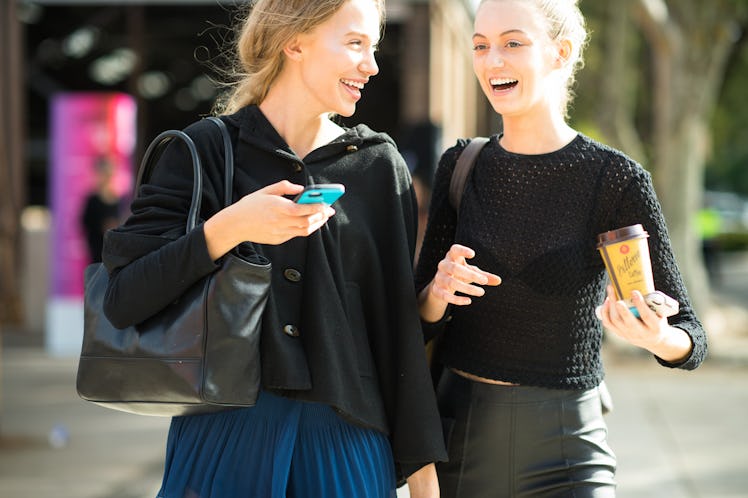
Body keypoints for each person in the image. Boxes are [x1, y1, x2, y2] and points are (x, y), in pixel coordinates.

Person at [100, 1, 446, 497]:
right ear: (295, 41)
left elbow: (395, 334)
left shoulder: (378, 166)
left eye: (373, 47)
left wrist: (423, 477)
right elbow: (123, 299)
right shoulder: (203, 151)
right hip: (221, 442)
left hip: (347, 448)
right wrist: (229, 228)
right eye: (354, 43)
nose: (371, 65)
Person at [414, 0, 708, 496]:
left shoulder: (615, 179)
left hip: (571, 450)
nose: (493, 61)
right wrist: (437, 292)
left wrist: (655, 337)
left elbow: (691, 338)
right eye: (481, 46)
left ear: (560, 52)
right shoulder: (461, 166)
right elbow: (415, 317)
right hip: (461, 442)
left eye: (513, 43)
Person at [80, 157, 122, 263]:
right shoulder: (92, 200)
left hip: (114, 251)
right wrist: (102, 226)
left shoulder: (117, 199)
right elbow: (84, 223)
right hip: (97, 249)